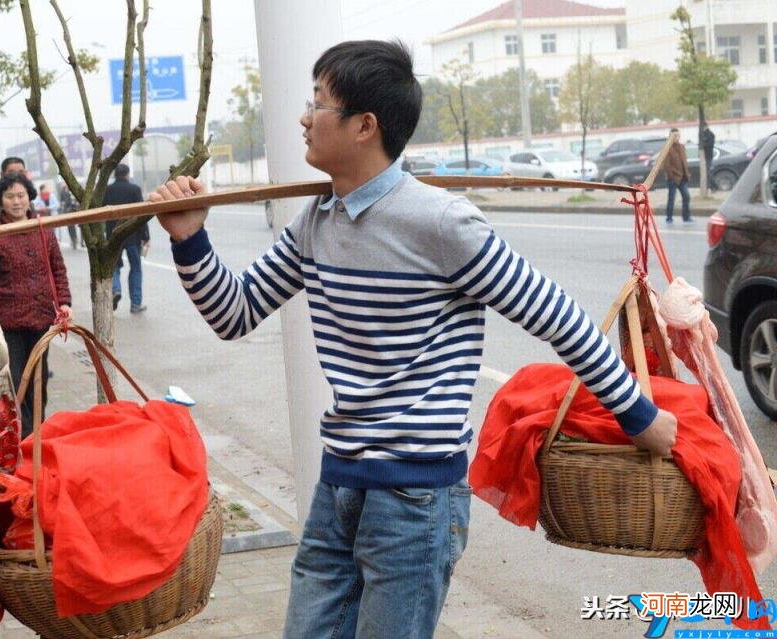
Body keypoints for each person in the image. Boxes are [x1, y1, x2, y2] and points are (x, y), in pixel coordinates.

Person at [149, 40, 677, 638]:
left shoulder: (440, 222)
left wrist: (637, 414)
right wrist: (189, 238)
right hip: (339, 487)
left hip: (414, 501)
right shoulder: (317, 221)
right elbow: (235, 314)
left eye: (318, 103)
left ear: (364, 126)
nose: (304, 117)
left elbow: (556, 316)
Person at [0, 172, 72, 437]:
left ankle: (38, 432)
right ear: (0, 201)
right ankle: (24, 437)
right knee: (15, 382)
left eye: (21, 195)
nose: (16, 202)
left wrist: (64, 302)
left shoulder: (44, 231)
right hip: (8, 325)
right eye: (9, 196)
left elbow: (58, 270)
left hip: (41, 320)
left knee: (40, 382)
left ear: (29, 198)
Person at [103, 163, 148, 313]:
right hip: (132, 236)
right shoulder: (134, 189)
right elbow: (142, 213)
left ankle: (116, 289)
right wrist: (145, 235)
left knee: (114, 266)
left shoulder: (107, 190)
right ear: (127, 174)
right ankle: (135, 304)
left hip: (114, 236)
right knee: (136, 268)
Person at [0, 156, 27, 222]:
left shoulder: (27, 193)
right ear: (2, 174)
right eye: (11, 173)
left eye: (20, 172)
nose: (17, 176)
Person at [664, 128, 692, 224]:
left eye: (678, 135)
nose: (677, 137)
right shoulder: (667, 148)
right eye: (675, 135)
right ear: (670, 136)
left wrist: (687, 174)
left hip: (683, 177)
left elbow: (684, 161)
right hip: (673, 178)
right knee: (671, 198)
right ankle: (669, 218)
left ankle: (686, 217)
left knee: (686, 197)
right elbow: (666, 165)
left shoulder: (681, 146)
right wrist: (671, 176)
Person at [58, 183, 80, 250]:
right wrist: (63, 206)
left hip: (74, 210)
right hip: (67, 211)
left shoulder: (72, 190)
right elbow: (61, 201)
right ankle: (73, 239)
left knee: (74, 226)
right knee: (70, 227)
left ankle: (75, 239)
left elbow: (75, 200)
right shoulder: (63, 191)